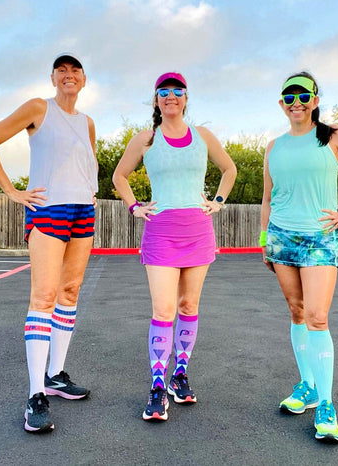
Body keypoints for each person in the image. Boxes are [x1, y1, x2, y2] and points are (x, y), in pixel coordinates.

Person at [0, 53, 98, 433]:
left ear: (83, 80)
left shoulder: (88, 122)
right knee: (43, 296)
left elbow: (86, 166)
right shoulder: (37, 108)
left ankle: (56, 375)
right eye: (61, 71)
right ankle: (35, 395)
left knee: (70, 290)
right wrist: (12, 190)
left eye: (75, 70)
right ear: (52, 78)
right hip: (48, 211)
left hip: (83, 210)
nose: (68, 75)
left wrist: (90, 196)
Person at [260, 71, 338, 442]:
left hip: (319, 239)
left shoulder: (333, 137)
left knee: (317, 315)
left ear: (314, 99)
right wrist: (265, 239)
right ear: (281, 103)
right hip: (281, 238)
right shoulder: (274, 146)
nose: (296, 102)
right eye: (289, 96)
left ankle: (326, 406)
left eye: (303, 95)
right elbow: (268, 197)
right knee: (296, 311)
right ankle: (307, 388)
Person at [112, 72, 237, 421]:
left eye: (177, 91)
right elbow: (118, 176)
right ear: (156, 100)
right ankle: (156, 385)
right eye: (163, 92)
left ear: (185, 98)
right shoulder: (146, 139)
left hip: (198, 231)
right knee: (164, 309)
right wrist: (135, 207)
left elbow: (229, 169)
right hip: (161, 231)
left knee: (189, 303)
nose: (171, 96)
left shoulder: (203, 136)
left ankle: (179, 376)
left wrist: (218, 200)